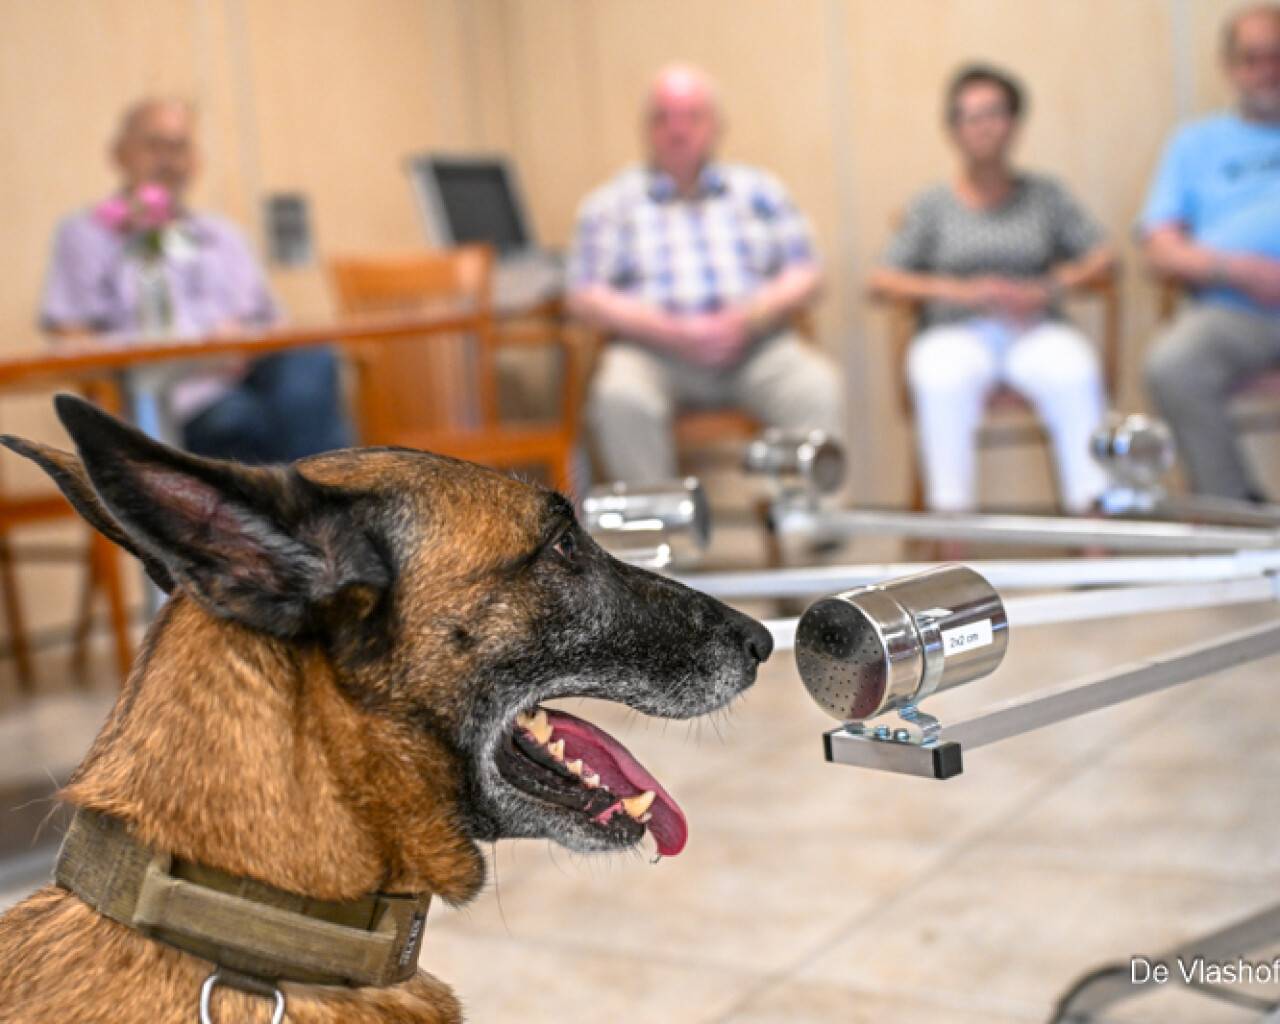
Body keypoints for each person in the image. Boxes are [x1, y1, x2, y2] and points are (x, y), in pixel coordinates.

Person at [568, 64, 842, 484]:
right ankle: (657, 522)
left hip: (755, 347)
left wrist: (750, 317)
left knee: (816, 386)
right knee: (618, 398)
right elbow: (584, 294)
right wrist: (668, 330)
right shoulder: (610, 204)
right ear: (646, 130)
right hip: (651, 353)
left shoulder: (760, 191)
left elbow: (808, 272)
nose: (677, 130)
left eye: (691, 117)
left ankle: (807, 516)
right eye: (663, 118)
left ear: (716, 126)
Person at [40, 97, 352, 464]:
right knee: (241, 421)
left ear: (196, 159)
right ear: (119, 154)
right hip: (171, 397)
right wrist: (192, 347)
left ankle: (317, 490)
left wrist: (242, 342)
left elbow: (277, 326)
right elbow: (71, 339)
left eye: (180, 147)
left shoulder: (224, 235)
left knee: (313, 361)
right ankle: (305, 491)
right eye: (154, 145)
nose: (169, 161)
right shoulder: (86, 234)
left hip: (250, 376)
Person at [870, 64, 1115, 513]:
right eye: (970, 116)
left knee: (1076, 371)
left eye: (994, 114)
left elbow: (1103, 257)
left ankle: (1094, 530)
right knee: (940, 377)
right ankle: (951, 532)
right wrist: (963, 292)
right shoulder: (932, 205)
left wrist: (1047, 288)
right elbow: (882, 278)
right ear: (953, 130)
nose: (982, 127)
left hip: (1035, 329)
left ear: (1015, 123)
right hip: (955, 332)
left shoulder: (1045, 195)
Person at [1142, 4, 1280, 501]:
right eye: (1252, 58)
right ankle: (1234, 510)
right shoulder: (1194, 144)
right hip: (1233, 312)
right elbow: (1160, 249)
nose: (1267, 70)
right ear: (1230, 67)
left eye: (1277, 56)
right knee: (1171, 364)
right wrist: (1235, 269)